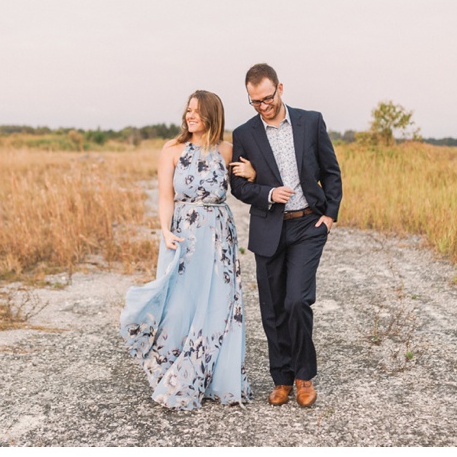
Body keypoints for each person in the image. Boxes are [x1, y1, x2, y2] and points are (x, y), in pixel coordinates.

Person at [120, 90, 253, 410]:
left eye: (197, 111)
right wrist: (165, 230)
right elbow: (166, 196)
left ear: (212, 115)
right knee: (179, 304)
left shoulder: (227, 150)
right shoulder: (172, 150)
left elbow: (244, 188)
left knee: (219, 307)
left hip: (219, 236)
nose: (190, 115)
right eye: (188, 110)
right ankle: (174, 371)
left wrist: (253, 174)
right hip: (183, 235)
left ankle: (216, 377)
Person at [229, 63, 342, 408]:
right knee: (273, 309)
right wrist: (265, 191)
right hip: (269, 228)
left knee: (297, 300)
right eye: (255, 102)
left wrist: (330, 214)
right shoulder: (244, 133)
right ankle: (281, 379)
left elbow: (330, 170)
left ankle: (303, 375)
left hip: (308, 225)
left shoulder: (311, 121)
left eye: (267, 98)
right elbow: (237, 184)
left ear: (280, 88)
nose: (263, 107)